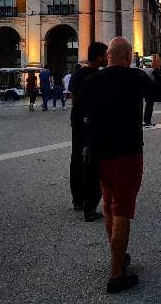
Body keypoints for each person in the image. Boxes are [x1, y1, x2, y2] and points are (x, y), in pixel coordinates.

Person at [81, 37, 161, 294]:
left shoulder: (92, 80)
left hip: (100, 154)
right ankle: (116, 275)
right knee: (122, 211)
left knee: (108, 206)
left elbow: (82, 112)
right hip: (127, 154)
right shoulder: (136, 77)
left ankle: (118, 255)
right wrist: (158, 69)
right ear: (128, 57)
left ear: (107, 56)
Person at [69, 41, 107, 222]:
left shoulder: (78, 73)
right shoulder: (99, 76)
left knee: (76, 159)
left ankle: (77, 199)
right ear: (99, 56)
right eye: (105, 55)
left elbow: (73, 97)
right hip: (92, 123)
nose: (107, 58)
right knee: (92, 163)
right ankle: (89, 205)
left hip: (77, 121)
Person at [143, 54, 161, 128]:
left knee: (148, 106)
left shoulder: (145, 70)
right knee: (149, 107)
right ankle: (147, 122)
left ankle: (147, 121)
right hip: (151, 91)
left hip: (147, 91)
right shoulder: (154, 70)